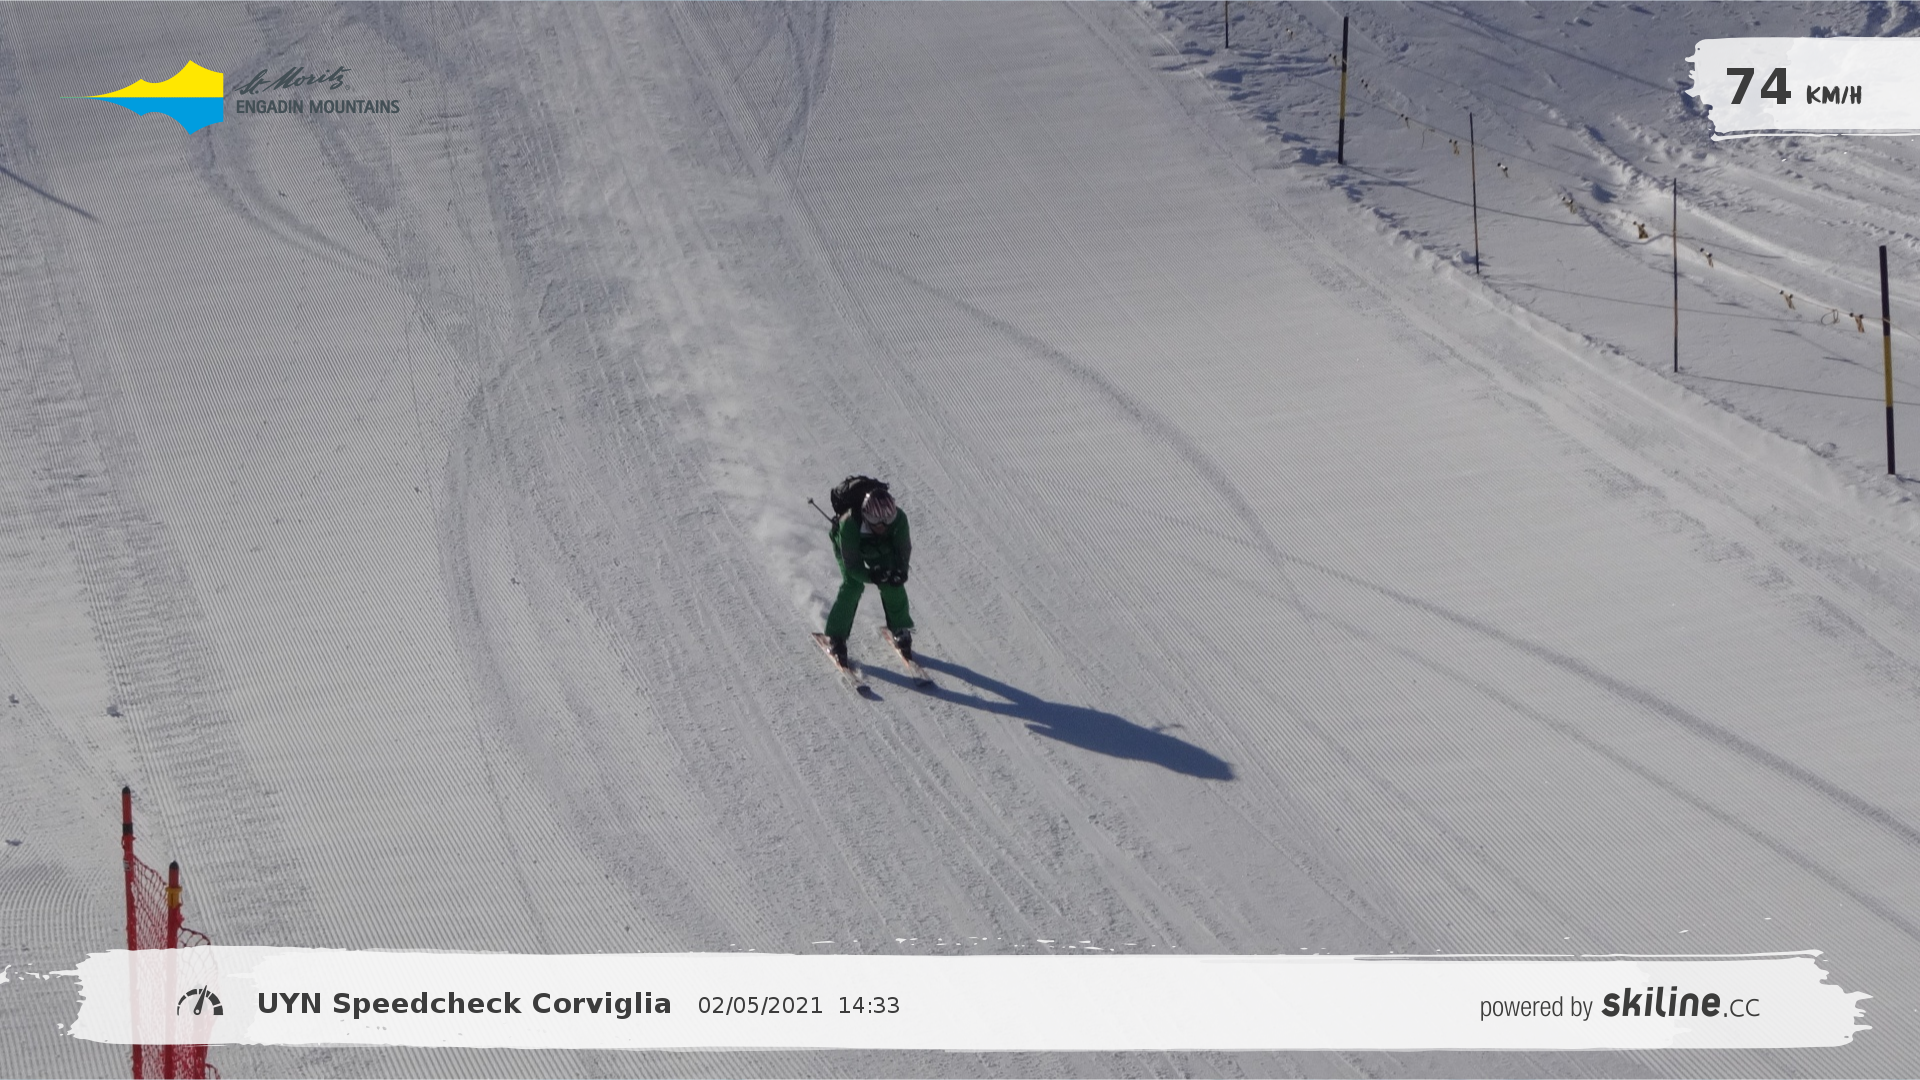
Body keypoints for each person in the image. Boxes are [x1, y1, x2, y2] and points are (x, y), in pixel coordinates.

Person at [824, 487, 913, 666]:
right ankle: (836, 636)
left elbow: (903, 549)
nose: (881, 526)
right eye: (875, 521)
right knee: (853, 586)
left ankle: (900, 628)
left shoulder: (899, 519)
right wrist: (872, 576)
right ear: (865, 515)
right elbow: (852, 567)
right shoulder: (849, 524)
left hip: (879, 547)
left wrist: (900, 571)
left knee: (892, 583)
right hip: (849, 546)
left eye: (887, 521)